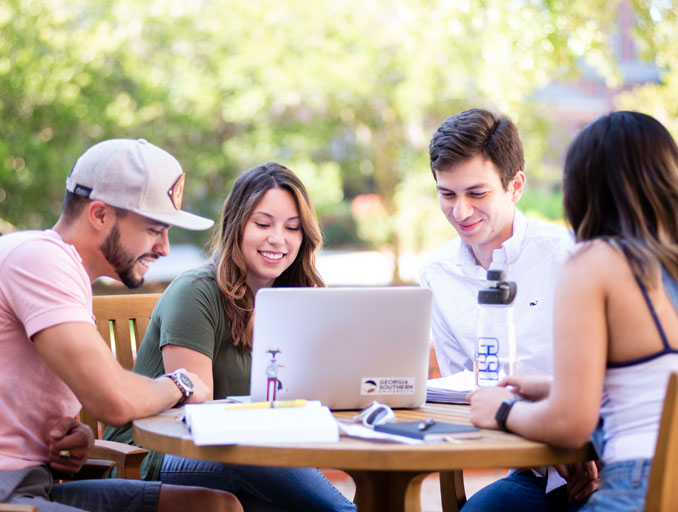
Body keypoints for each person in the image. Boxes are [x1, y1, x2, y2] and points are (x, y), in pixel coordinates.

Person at [0, 138, 242, 512]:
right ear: (99, 215)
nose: (164, 248)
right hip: (8, 492)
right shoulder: (39, 259)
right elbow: (115, 401)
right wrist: (179, 382)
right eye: (153, 229)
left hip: (35, 486)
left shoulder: (65, 275)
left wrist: (73, 441)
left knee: (215, 506)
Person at [105, 162, 357, 512]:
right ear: (237, 225)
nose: (278, 239)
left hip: (249, 452)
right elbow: (194, 409)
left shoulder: (296, 299)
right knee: (262, 469)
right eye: (263, 224)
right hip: (156, 452)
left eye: (293, 228)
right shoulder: (196, 292)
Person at [468, 111, 678, 511]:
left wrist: (502, 410)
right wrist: (551, 387)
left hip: (637, 486)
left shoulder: (592, 263)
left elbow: (571, 424)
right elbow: (652, 385)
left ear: (583, 187)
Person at [419, 109, 596, 510]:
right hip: (532, 472)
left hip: (604, 459)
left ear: (515, 186)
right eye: (447, 194)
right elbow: (467, 397)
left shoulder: (571, 255)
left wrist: (581, 443)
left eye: (477, 193)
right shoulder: (436, 275)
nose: (460, 212)